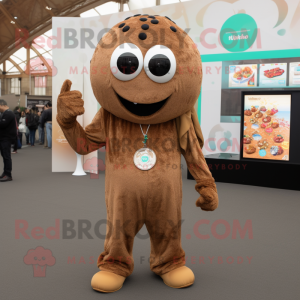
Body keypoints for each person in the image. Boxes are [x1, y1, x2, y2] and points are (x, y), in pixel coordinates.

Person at [0, 99, 17, 182]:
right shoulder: (5, 113)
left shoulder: (8, 113)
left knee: (6, 156)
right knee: (5, 156)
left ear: (2, 105)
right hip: (4, 138)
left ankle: (8, 174)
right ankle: (5, 173)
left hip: (6, 138)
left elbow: (2, 124)